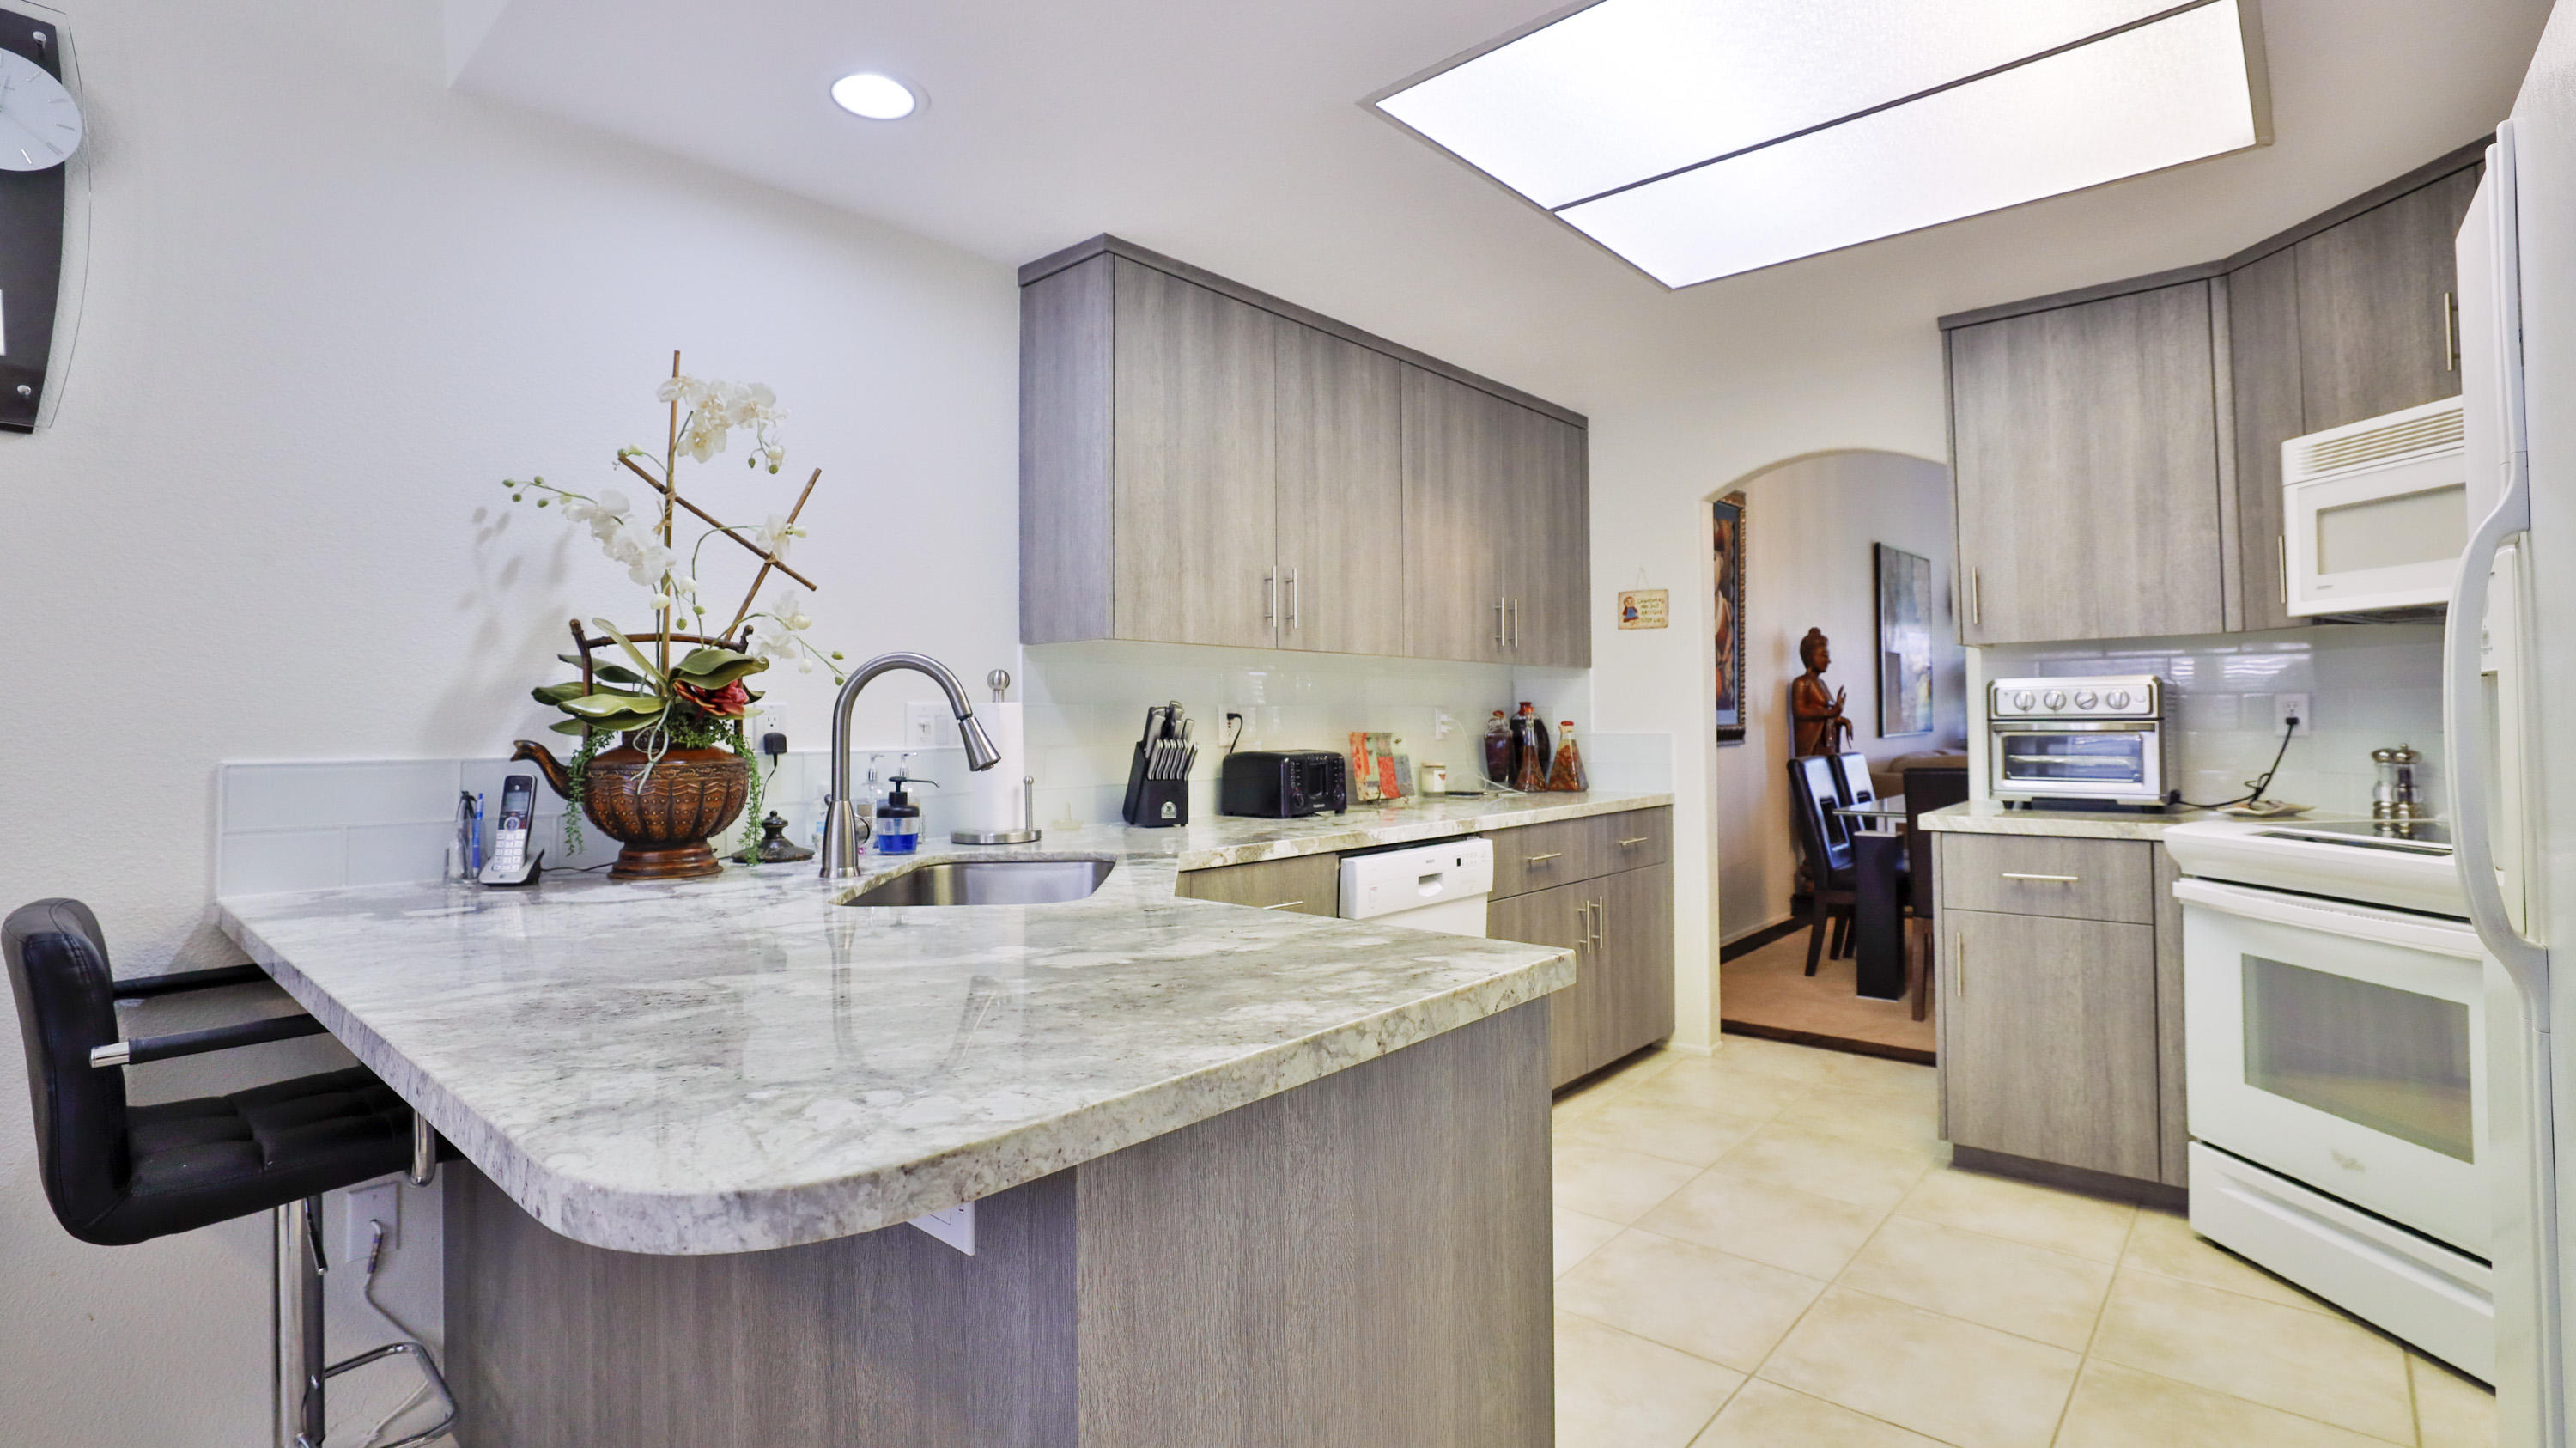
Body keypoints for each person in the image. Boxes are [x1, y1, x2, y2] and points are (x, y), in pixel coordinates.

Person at [1790, 626, 1852, 757]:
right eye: (1824, 655)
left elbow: (1828, 716)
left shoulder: (1821, 683)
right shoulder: (1801, 683)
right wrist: (1832, 711)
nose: (1828, 661)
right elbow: (1800, 712)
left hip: (1827, 743)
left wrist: (1842, 720)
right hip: (1813, 744)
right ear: (1810, 656)